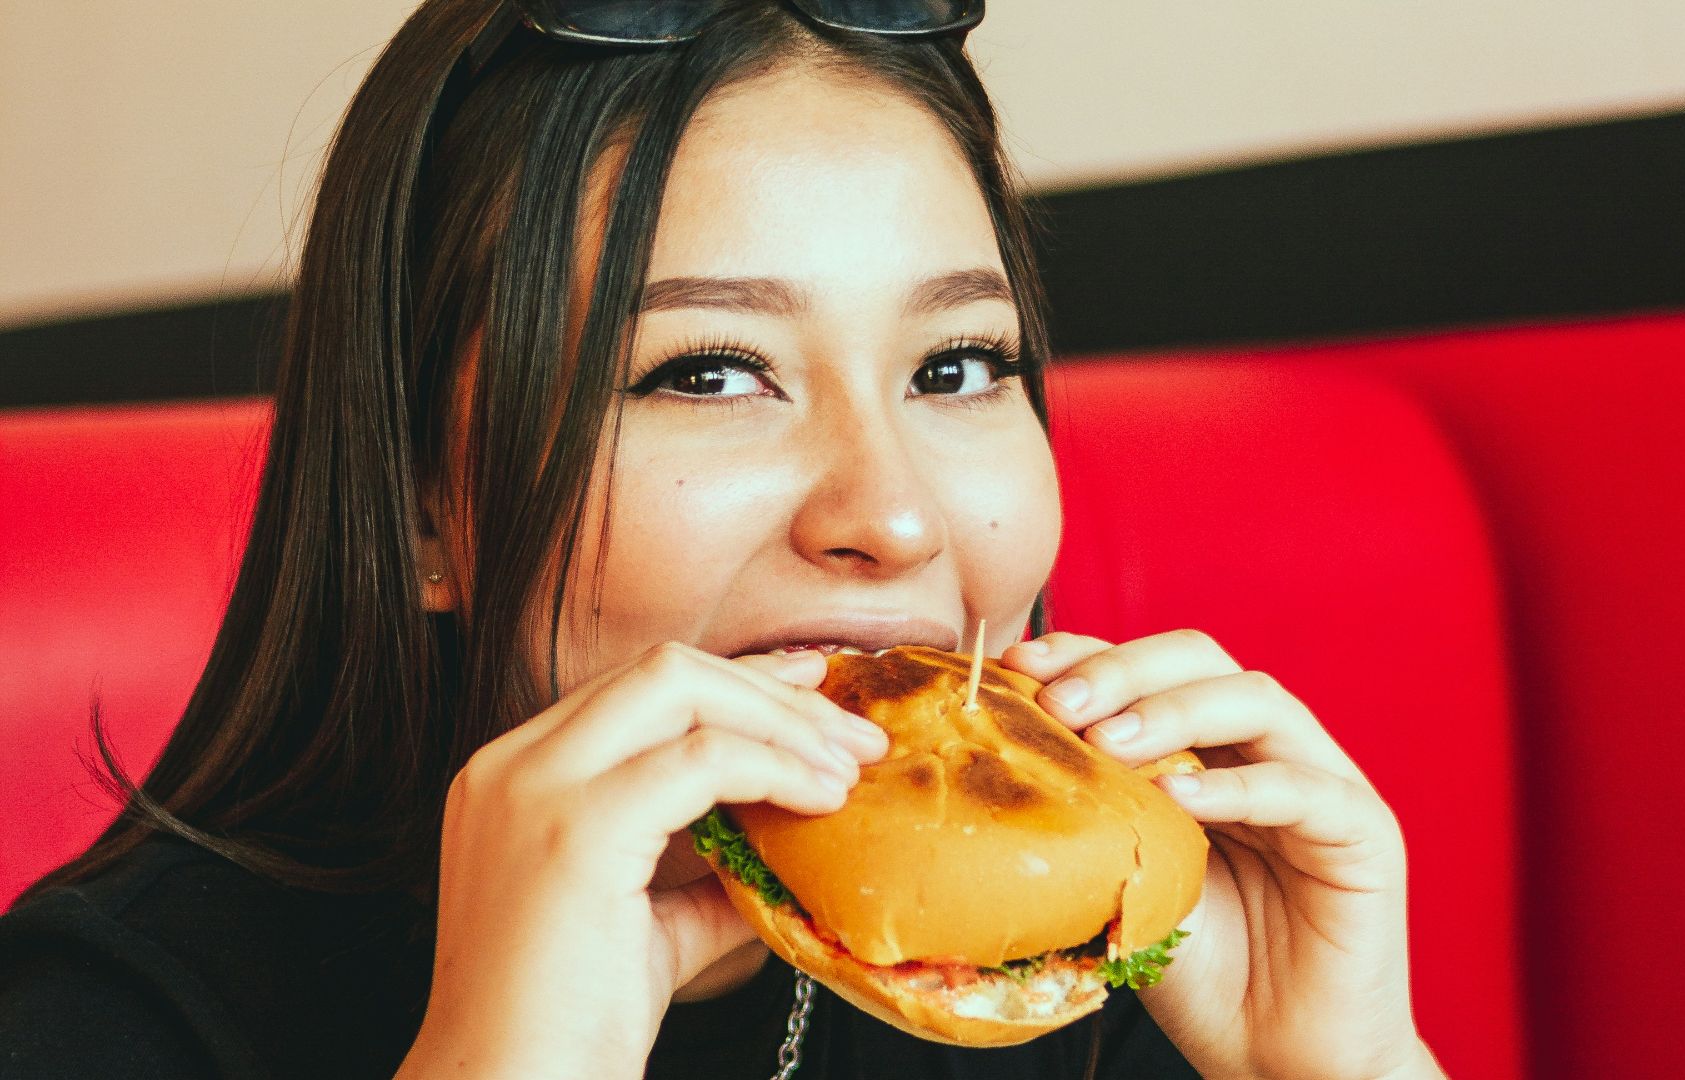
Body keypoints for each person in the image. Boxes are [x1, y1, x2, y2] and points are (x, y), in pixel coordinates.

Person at [0, 2, 1448, 1077]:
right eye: (707, 371)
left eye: (955, 367)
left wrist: (1346, 1071)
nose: (890, 515)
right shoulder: (102, 1019)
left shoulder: (1069, 971)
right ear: (421, 504)